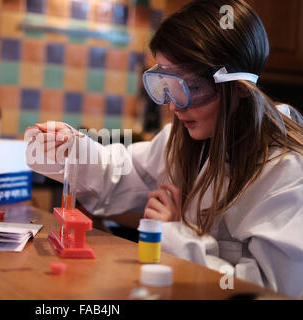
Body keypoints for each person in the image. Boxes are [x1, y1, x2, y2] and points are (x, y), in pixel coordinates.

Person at [25, 0, 303, 298]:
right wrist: (71, 150)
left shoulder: (284, 172)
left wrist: (175, 234)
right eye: (167, 85)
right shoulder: (182, 140)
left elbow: (272, 291)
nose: (173, 105)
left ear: (239, 88)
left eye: (191, 88)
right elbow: (121, 173)